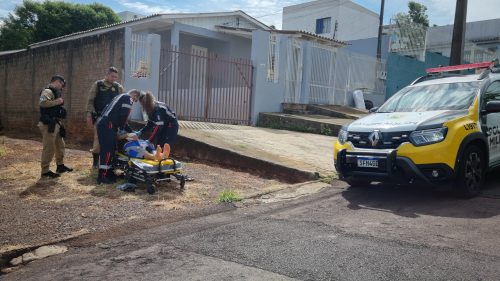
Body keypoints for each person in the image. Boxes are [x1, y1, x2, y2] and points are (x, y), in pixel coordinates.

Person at [96, 89, 141, 184]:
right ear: (135, 95)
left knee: (109, 149)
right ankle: (103, 176)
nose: (134, 102)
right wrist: (124, 131)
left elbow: (122, 119)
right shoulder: (128, 98)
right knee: (108, 150)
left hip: (104, 123)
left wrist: (131, 131)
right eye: (135, 100)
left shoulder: (118, 97)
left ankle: (108, 172)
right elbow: (124, 116)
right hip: (109, 125)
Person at [86, 67, 125, 168]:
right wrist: (89, 114)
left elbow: (123, 102)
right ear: (107, 75)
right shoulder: (98, 85)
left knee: (114, 140)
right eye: (112, 76)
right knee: (98, 140)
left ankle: (112, 162)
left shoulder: (118, 87)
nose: (114, 79)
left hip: (114, 119)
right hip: (100, 118)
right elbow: (90, 101)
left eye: (116, 77)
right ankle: (95, 162)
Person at [38, 75, 73, 178]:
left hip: (55, 122)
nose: (62, 87)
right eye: (61, 84)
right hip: (48, 123)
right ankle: (45, 171)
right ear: (57, 82)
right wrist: (58, 101)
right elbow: (42, 103)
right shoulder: (47, 91)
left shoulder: (55, 92)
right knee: (49, 147)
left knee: (60, 145)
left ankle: (60, 166)